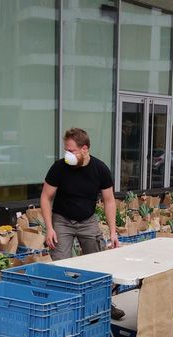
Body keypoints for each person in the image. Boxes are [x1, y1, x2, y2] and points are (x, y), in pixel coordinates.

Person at [40, 128, 124, 319]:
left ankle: (104, 304)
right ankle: (66, 309)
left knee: (98, 265)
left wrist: (113, 232)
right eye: (66, 150)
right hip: (62, 220)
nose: (67, 155)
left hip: (88, 220)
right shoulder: (59, 168)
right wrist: (50, 228)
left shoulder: (100, 169)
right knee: (63, 266)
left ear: (84, 149)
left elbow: (109, 200)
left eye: (71, 150)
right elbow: (46, 197)